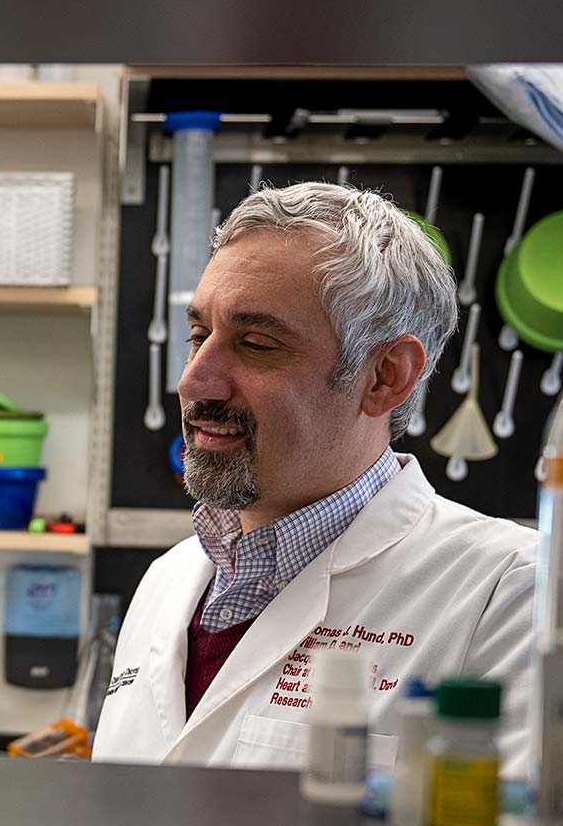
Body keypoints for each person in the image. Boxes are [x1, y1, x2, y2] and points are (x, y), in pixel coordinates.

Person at [93, 183, 537, 774]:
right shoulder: (167, 580)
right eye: (199, 337)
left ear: (385, 376)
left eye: (255, 344)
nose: (195, 383)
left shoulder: (508, 595)